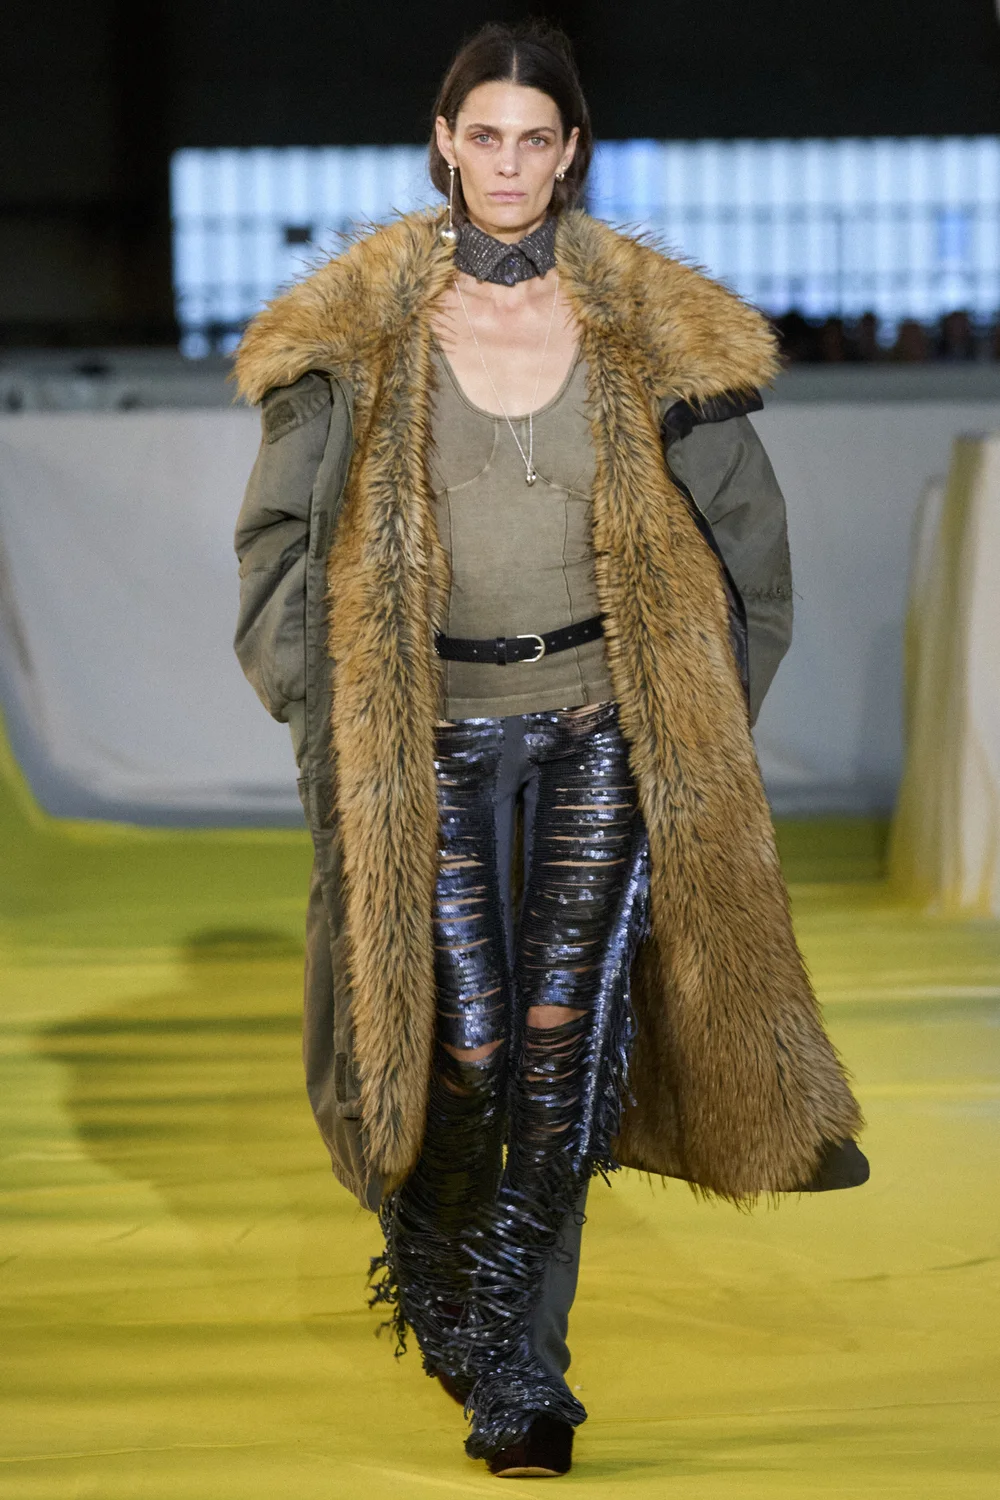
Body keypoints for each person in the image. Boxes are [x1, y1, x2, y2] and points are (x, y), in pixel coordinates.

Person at [232, 21, 868, 1480]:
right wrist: (320, 709)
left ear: (571, 151)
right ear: (443, 142)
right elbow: (276, 551)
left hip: (603, 726)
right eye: (486, 137)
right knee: (459, 1045)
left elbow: (747, 547)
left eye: (536, 139)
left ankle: (523, 1370)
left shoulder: (655, 328)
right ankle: (439, 1274)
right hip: (428, 740)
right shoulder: (355, 335)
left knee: (561, 1048)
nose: (509, 166)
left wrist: (698, 723)